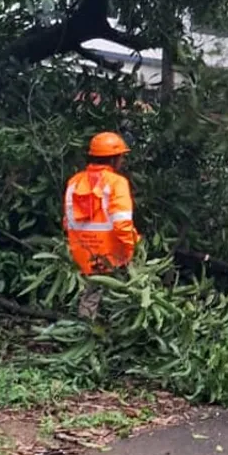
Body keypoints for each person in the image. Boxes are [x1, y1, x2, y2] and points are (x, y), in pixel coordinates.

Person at [64, 131, 140, 318]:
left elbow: (68, 221)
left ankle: (86, 327)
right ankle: (95, 333)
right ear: (114, 159)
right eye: (121, 157)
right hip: (112, 255)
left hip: (83, 253)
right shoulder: (116, 183)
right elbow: (122, 224)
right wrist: (131, 250)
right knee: (122, 298)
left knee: (91, 296)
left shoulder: (74, 182)